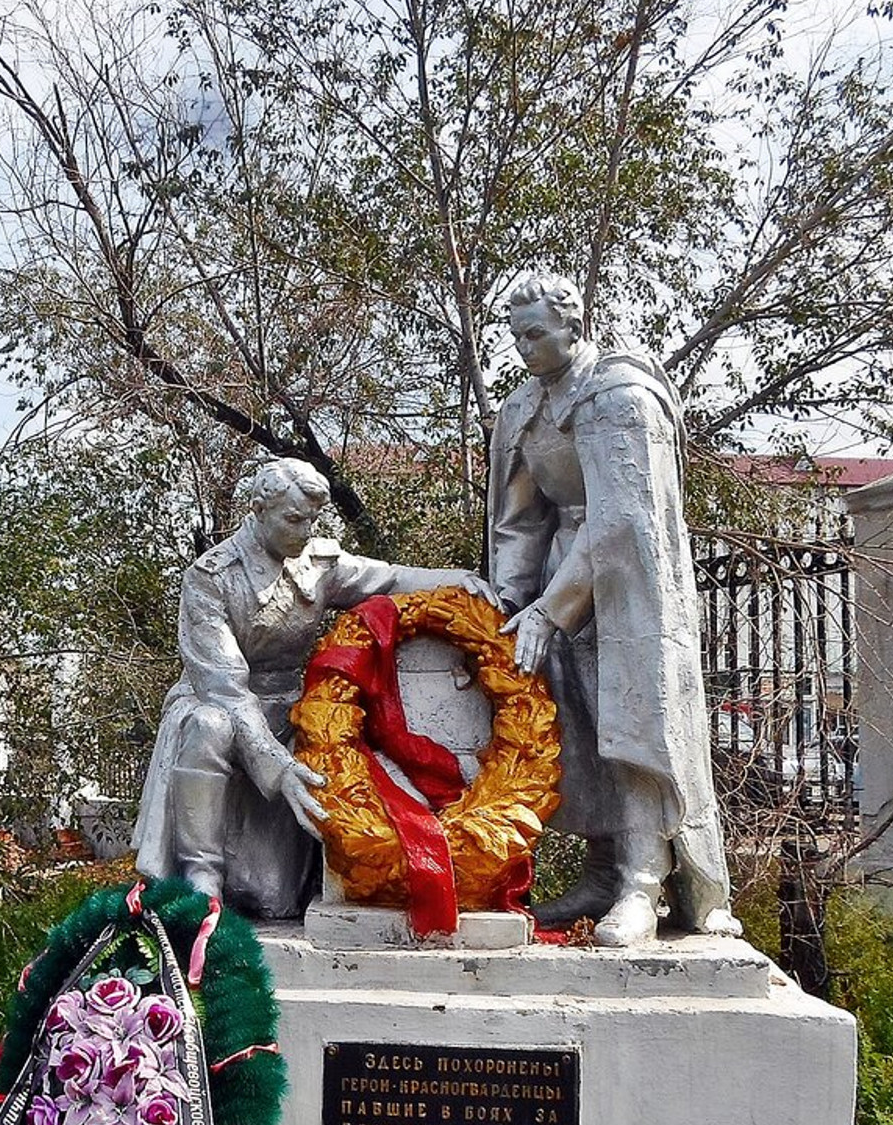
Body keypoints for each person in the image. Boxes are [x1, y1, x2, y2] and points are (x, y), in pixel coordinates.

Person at [487, 274, 740, 945]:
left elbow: (624, 519)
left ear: (576, 327)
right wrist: (512, 603)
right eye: (515, 337)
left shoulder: (619, 393)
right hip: (557, 579)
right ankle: (603, 872)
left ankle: (643, 884)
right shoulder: (521, 409)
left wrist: (550, 610)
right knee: (574, 728)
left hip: (629, 580)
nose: (524, 348)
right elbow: (517, 520)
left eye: (536, 334)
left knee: (635, 725)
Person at [134, 457, 496, 917]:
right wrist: (279, 768)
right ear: (259, 509)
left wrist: (457, 581)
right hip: (215, 703)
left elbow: (388, 578)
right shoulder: (212, 576)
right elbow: (224, 686)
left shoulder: (317, 564)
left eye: (311, 520)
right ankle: (200, 873)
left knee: (274, 898)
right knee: (211, 724)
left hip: (289, 710)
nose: (304, 531)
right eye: (293, 519)